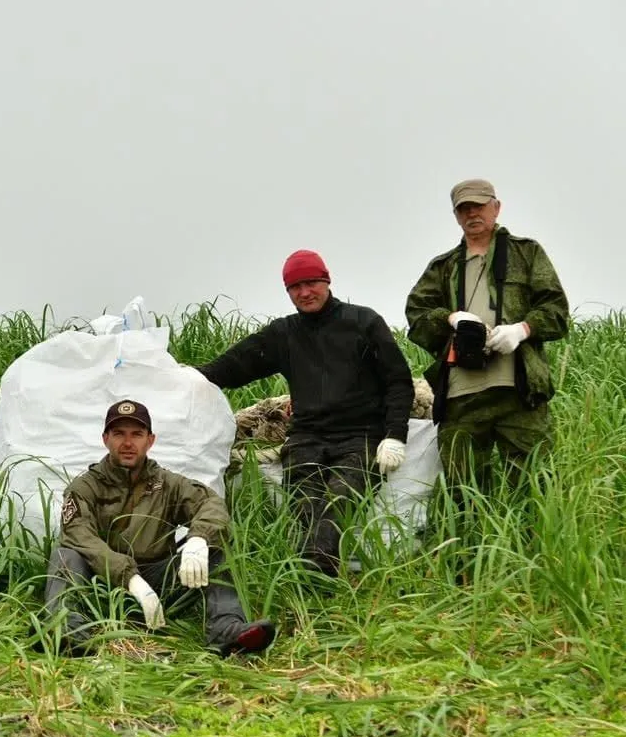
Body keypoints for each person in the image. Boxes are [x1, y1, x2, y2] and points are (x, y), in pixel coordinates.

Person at [196, 251, 414, 576]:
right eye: (295, 287)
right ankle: (316, 571)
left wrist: (395, 435)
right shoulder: (284, 334)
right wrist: (184, 376)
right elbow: (232, 366)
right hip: (306, 438)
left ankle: (311, 573)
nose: (305, 292)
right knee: (305, 502)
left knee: (340, 497)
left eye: (311, 283)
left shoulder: (363, 323)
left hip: (359, 436)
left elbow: (399, 381)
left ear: (326, 281)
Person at [44, 399, 276, 656]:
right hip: (102, 588)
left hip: (159, 583)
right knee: (66, 555)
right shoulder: (86, 487)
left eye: (137, 434)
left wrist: (198, 540)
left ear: (150, 440)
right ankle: (66, 630)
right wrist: (129, 578)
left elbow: (210, 504)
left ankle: (226, 629)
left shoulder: (167, 484)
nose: (128, 443)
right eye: (119, 434)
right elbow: (79, 535)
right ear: (105, 439)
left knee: (216, 547)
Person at [405, 179, 569, 537]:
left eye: (479, 205)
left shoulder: (526, 253)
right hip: (462, 394)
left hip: (518, 390)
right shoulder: (444, 266)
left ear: (497, 207)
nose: (472, 213)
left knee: (534, 484)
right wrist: (451, 319)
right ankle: (469, 573)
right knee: (462, 492)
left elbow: (556, 311)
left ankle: (539, 565)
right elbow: (416, 313)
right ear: (456, 216)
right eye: (464, 208)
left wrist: (522, 330)